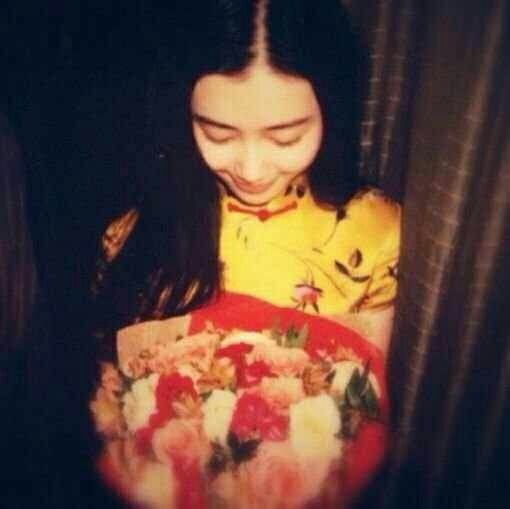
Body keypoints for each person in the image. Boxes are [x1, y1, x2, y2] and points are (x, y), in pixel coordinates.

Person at [88, 1, 401, 508]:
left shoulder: (374, 234)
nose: (251, 170)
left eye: (286, 137)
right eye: (218, 134)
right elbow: (108, 401)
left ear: (333, 112)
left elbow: (363, 414)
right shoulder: (133, 233)